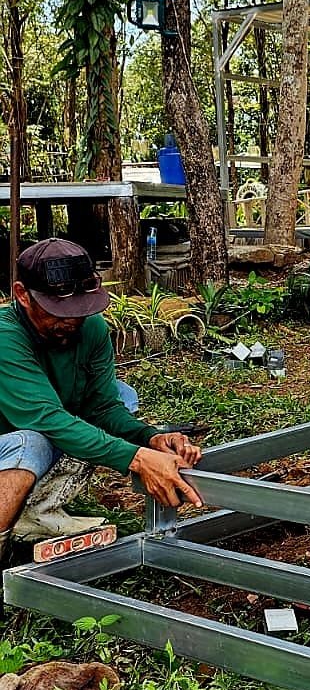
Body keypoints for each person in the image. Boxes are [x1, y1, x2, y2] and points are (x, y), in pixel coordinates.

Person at [0, 238, 202, 562]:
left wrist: (150, 438)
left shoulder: (89, 328)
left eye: (81, 309)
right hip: (13, 444)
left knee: (121, 396)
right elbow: (49, 419)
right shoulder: (5, 337)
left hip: (31, 437)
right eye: (58, 310)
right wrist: (138, 459)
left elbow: (103, 407)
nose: (72, 320)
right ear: (23, 295)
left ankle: (32, 515)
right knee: (33, 443)